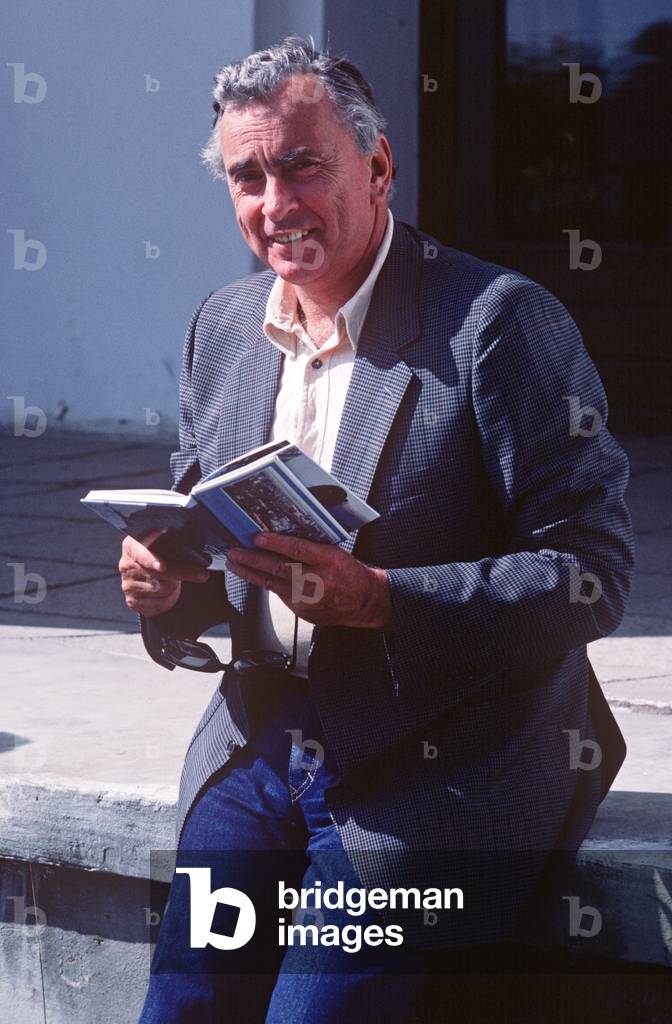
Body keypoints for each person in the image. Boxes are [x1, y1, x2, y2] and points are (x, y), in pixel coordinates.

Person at [118, 36, 634, 1023]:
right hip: (265, 732)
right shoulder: (223, 325)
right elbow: (200, 508)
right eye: (249, 176)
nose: (277, 205)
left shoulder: (495, 323)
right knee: (184, 1001)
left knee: (315, 1010)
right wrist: (167, 578)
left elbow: (592, 575)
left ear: (379, 166)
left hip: (446, 745)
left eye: (304, 166)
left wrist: (384, 601)